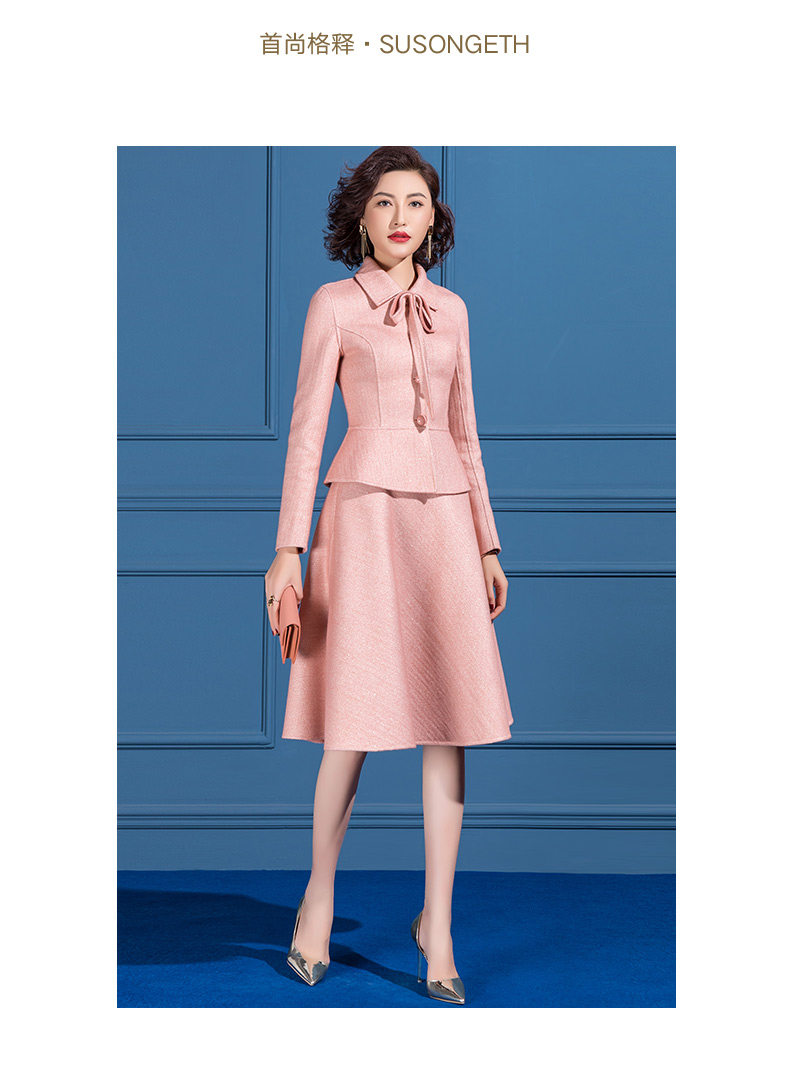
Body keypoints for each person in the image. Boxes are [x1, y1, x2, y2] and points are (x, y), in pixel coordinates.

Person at [264, 146, 512, 1004]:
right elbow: (306, 432)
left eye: (416, 202)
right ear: (360, 218)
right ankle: (318, 900)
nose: (401, 216)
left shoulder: (453, 311)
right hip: (361, 514)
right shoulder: (334, 304)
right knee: (353, 720)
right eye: (383, 202)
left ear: (434, 219)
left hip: (446, 520)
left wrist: (488, 543)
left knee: (451, 718)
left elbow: (466, 430)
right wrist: (289, 547)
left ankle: (437, 924)